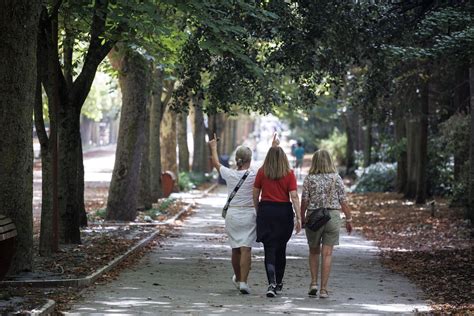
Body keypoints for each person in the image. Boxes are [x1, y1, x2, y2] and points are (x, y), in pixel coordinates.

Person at [253, 133, 302, 298]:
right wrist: (299, 217)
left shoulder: (262, 172)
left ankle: (272, 283)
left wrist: (257, 209)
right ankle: (279, 282)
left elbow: (255, 193)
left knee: (270, 249)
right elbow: (294, 196)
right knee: (281, 249)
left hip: (266, 211)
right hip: (283, 213)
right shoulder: (289, 173)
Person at [300, 149, 352, 298]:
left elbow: (304, 200)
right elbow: (343, 201)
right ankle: (323, 289)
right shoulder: (336, 178)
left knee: (314, 251)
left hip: (314, 216)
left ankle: (314, 283)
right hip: (332, 217)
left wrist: (302, 217)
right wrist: (349, 219)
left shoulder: (310, 179)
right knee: (327, 253)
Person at [208, 134, 256, 294]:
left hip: (233, 214)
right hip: (249, 213)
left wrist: (213, 147)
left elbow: (215, 162)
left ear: (237, 159)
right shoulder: (254, 175)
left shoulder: (229, 174)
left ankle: (237, 277)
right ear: (249, 160)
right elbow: (269, 166)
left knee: (235, 249)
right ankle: (243, 281)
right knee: (246, 249)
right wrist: (274, 147)